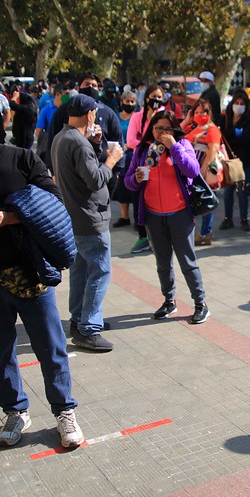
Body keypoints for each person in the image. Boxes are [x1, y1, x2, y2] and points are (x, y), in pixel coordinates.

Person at [0, 107, 85, 450]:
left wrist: (12, 217)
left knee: (50, 346)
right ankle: (15, 410)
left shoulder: (21, 160)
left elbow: (55, 202)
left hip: (30, 273)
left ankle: (64, 410)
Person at [50, 94, 124, 352]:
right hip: (89, 218)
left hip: (74, 217)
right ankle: (89, 328)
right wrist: (111, 160)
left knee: (82, 270)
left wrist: (94, 143)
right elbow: (94, 179)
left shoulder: (63, 137)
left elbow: (82, 171)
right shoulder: (77, 143)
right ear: (90, 115)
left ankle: (80, 320)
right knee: (100, 271)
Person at [124, 111, 210, 324]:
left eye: (167, 128)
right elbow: (129, 181)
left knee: (187, 262)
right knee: (163, 263)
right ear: (151, 130)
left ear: (174, 129)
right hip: (153, 215)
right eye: (158, 128)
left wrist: (175, 147)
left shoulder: (182, 145)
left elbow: (193, 170)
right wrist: (135, 179)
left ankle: (201, 304)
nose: (162, 133)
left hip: (179, 214)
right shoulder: (144, 150)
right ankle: (169, 300)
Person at [125, 84, 167, 253]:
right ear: (146, 98)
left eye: (159, 97)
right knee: (139, 199)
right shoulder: (137, 117)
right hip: (142, 162)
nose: (156, 100)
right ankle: (142, 236)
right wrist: (149, 142)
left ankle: (161, 235)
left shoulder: (165, 117)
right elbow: (130, 141)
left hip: (163, 165)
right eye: (153, 97)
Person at [180, 98, 222, 245]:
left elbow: (213, 150)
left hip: (203, 168)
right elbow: (177, 132)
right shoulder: (193, 127)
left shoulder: (212, 129)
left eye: (202, 112)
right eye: (196, 112)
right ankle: (198, 231)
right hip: (191, 167)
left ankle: (206, 233)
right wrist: (187, 119)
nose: (199, 115)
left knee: (206, 198)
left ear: (208, 113)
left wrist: (202, 170)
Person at [220, 90, 250, 231]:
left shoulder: (249, 120)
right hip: (227, 159)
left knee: (242, 191)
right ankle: (227, 218)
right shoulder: (226, 118)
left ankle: (244, 219)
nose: (239, 106)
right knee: (228, 191)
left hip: (243, 160)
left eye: (242, 104)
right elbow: (222, 135)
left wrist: (233, 134)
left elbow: (246, 139)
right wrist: (234, 132)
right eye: (236, 103)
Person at [113, 89, 138, 228]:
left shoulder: (137, 117)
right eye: (127, 101)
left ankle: (137, 218)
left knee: (134, 186)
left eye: (132, 101)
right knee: (122, 186)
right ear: (122, 102)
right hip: (120, 154)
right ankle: (124, 217)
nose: (129, 103)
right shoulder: (115, 117)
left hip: (133, 155)